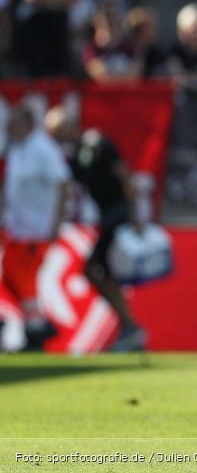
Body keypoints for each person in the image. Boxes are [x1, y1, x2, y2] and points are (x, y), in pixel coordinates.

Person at [44, 107, 147, 351]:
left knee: (95, 269)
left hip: (118, 215)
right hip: (109, 216)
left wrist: (135, 215)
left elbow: (124, 176)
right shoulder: (77, 155)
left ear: (70, 125)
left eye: (58, 131)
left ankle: (131, 327)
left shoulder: (95, 142)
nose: (57, 137)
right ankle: (129, 327)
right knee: (99, 272)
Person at [2, 106, 71, 351]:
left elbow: (63, 183)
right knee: (10, 275)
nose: (10, 128)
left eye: (15, 123)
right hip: (17, 228)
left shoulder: (43, 148)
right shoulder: (17, 149)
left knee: (24, 277)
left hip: (36, 229)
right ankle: (38, 325)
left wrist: (57, 223)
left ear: (27, 124)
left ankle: (36, 331)